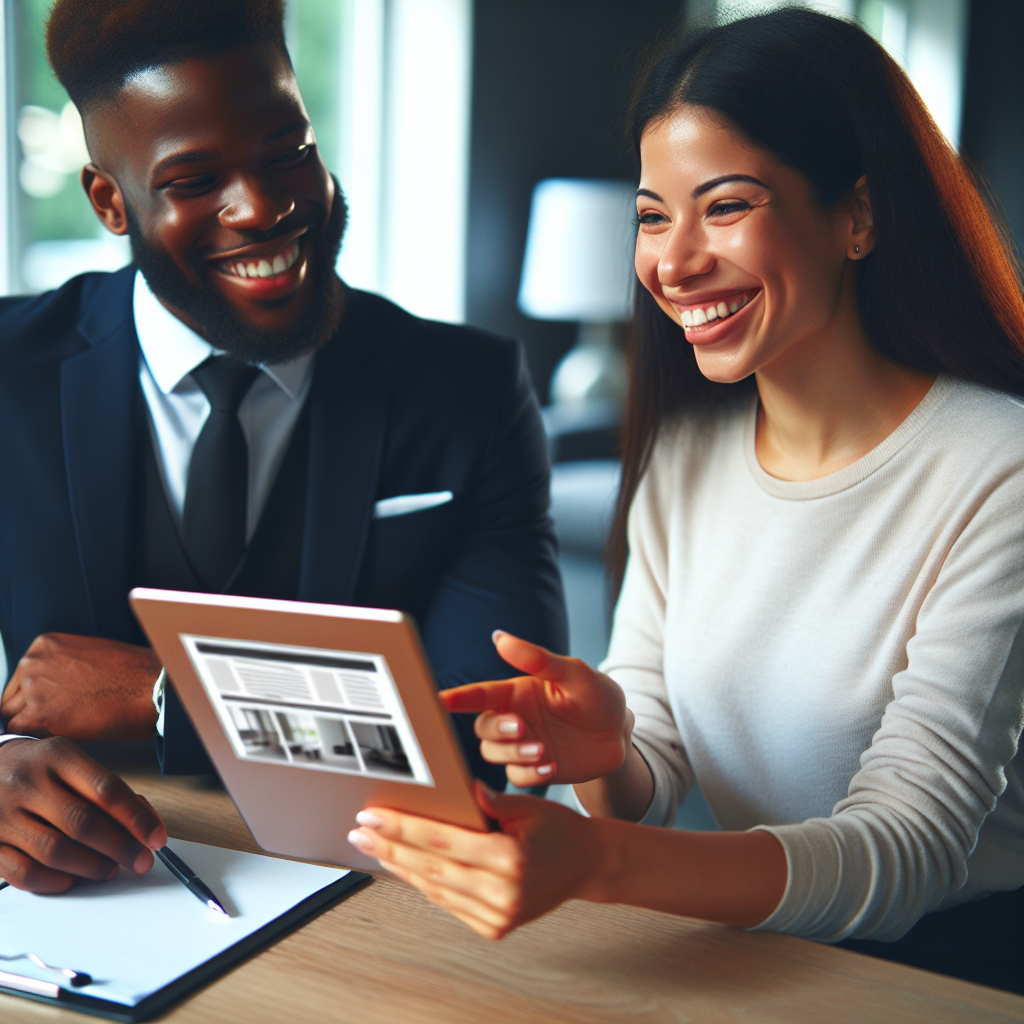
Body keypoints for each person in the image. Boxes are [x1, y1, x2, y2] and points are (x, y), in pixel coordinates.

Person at [344, 9, 1024, 994]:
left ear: (858, 216)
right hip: (772, 948)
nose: (673, 260)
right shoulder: (685, 451)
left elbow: (908, 845)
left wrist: (597, 862)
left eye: (725, 205)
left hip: (953, 969)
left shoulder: (996, 466)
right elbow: (647, 770)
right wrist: (606, 745)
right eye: (652, 215)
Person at [0, 0, 566, 895]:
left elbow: (492, 727)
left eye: (287, 153)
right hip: (93, 896)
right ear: (111, 200)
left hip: (376, 893)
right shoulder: (10, 373)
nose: (263, 207)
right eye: (192, 180)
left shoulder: (469, 388)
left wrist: (170, 697)